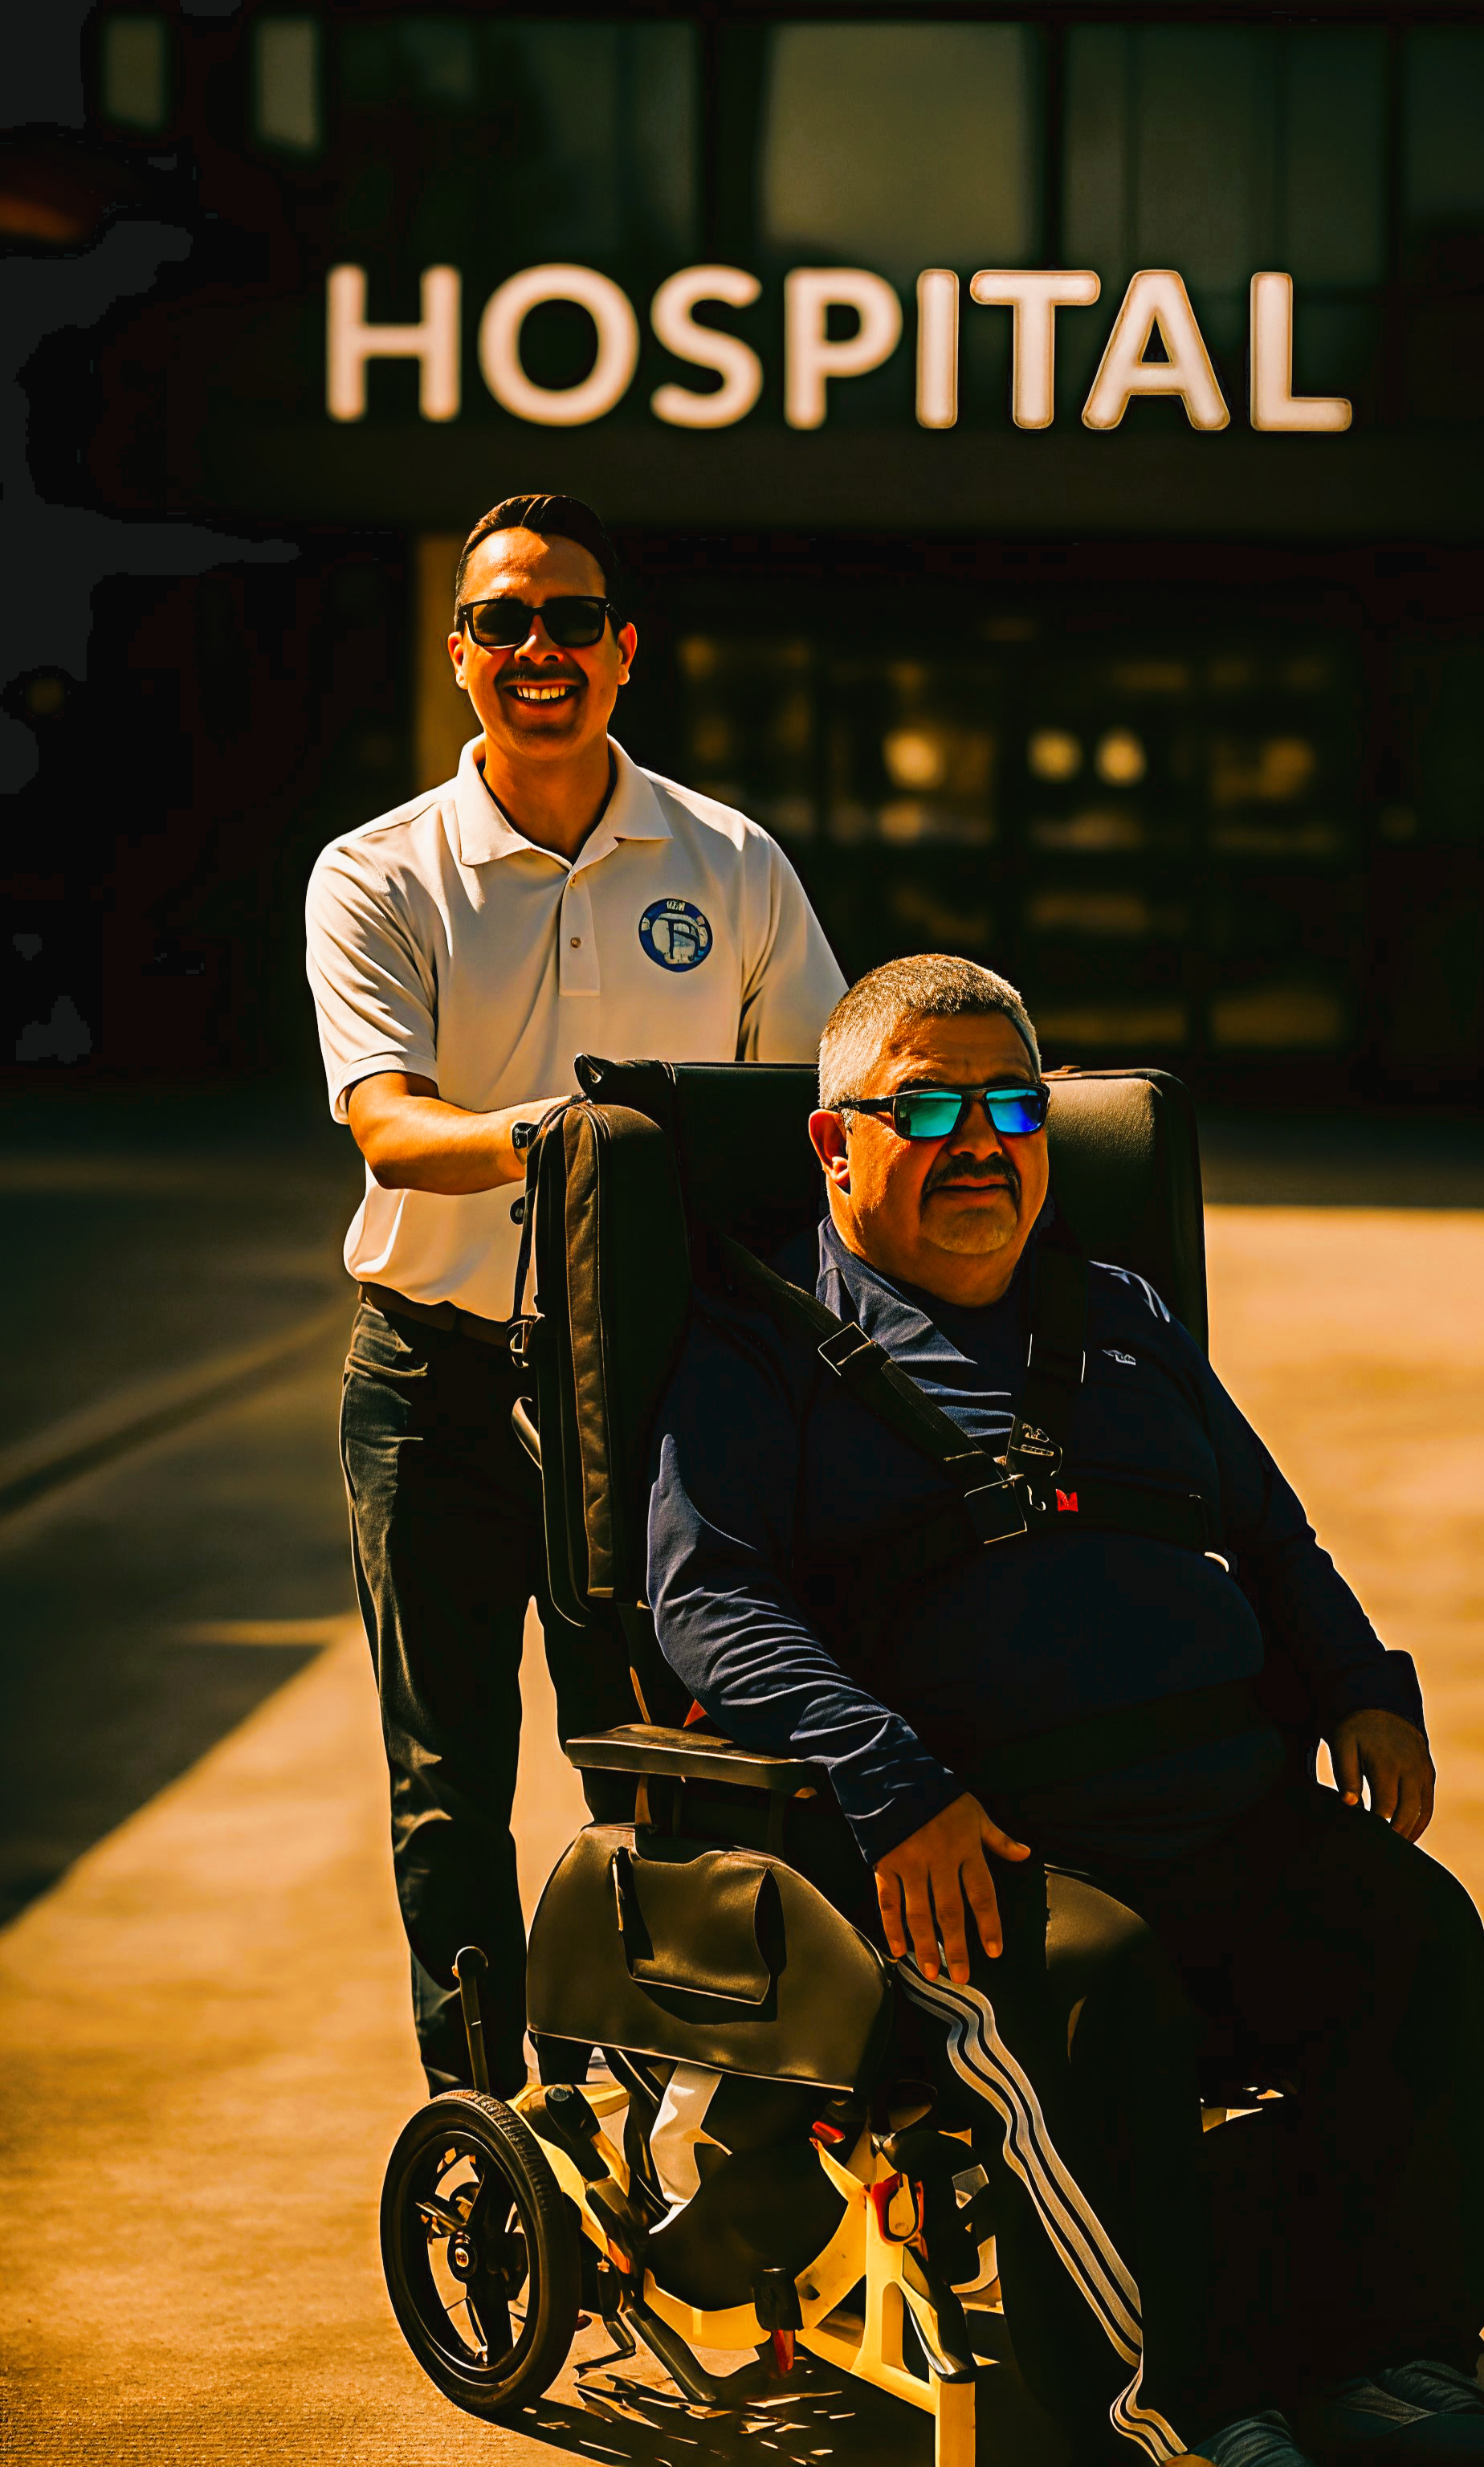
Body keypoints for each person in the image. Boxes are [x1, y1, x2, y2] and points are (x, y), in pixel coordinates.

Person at [645, 955, 1484, 2467]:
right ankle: (1179, 2417)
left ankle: (1393, 2370)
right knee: (1103, 1990)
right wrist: (897, 1783)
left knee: (1410, 1933)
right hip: (981, 1845)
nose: (980, 1142)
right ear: (834, 1144)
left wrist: (1358, 1684)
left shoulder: (1120, 1312)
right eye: (925, 1108)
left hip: (1211, 1797)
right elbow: (707, 1598)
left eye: (1013, 1104)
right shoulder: (757, 1343)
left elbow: (1269, 1536)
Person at [304, 491, 844, 2098]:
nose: (538, 650)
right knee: (447, 1782)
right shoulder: (380, 872)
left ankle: (683, 2108)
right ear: (461, 653)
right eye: (502, 623)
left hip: (659, 1387)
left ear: (624, 651)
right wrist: (581, 1145)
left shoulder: (728, 861)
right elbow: (391, 1132)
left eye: (569, 621)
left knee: (671, 1768)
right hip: (435, 1382)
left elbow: (808, 1113)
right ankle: (487, 2117)